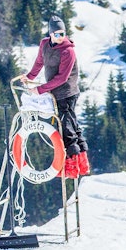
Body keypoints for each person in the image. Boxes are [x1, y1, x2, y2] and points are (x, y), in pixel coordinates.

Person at [22, 15, 89, 177]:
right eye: (57, 34)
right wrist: (29, 77)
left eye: (63, 34)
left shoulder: (68, 51)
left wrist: (40, 89)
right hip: (55, 92)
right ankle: (82, 162)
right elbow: (39, 62)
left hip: (67, 92)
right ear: (51, 33)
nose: (60, 37)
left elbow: (62, 78)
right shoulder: (45, 44)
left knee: (67, 128)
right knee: (71, 125)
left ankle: (72, 165)